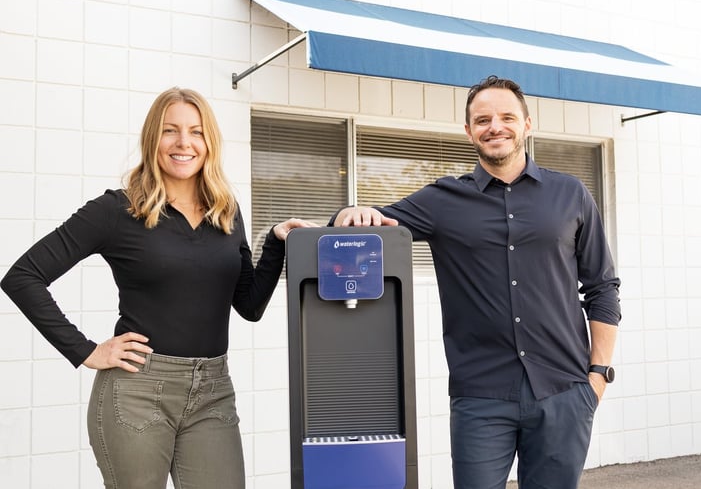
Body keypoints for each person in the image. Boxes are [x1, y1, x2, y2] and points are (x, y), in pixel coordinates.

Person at [1, 87, 317, 489]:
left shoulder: (226, 212)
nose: (184, 142)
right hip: (137, 390)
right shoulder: (116, 210)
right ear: (153, 138)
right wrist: (87, 351)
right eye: (171, 130)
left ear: (209, 142)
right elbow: (23, 276)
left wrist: (274, 243)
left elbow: (249, 305)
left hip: (213, 391)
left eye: (196, 132)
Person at [332, 75, 621, 489]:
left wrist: (597, 377)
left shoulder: (571, 194)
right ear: (469, 131)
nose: (495, 127)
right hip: (481, 398)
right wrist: (349, 212)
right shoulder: (442, 201)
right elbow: (370, 222)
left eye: (507, 117)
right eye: (483, 120)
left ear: (527, 124)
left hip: (564, 392)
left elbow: (602, 288)